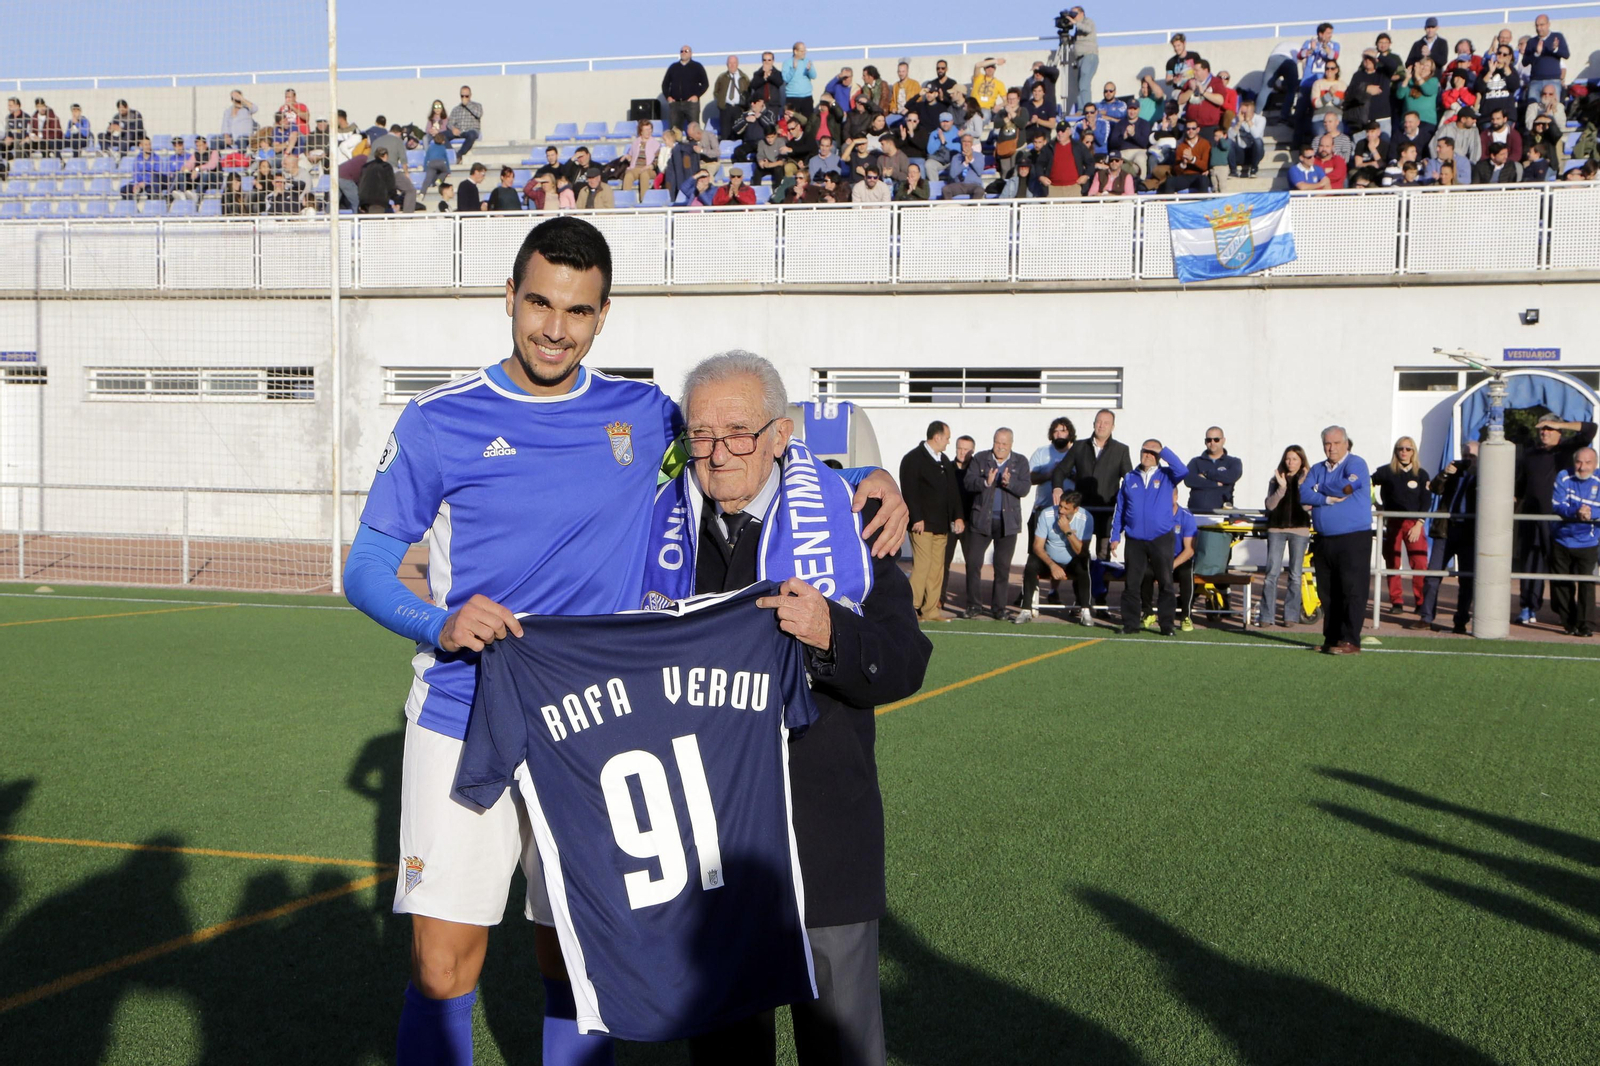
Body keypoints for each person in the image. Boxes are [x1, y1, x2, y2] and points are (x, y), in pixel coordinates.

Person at [344, 218, 906, 1066]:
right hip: (467, 711)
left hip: (595, 724)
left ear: (602, 317)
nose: (553, 327)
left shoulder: (643, 414)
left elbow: (751, 433)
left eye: (577, 310)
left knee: (578, 957)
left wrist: (866, 474)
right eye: (538, 302)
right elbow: (368, 565)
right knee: (442, 962)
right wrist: (440, 622)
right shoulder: (439, 422)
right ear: (509, 297)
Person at [664, 351, 930, 1066]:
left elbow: (905, 661)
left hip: (823, 838)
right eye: (701, 435)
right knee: (724, 1052)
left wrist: (830, 634)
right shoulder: (657, 532)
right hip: (710, 847)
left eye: (738, 433)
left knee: (840, 1048)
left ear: (783, 437)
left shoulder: (852, 522)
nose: (717, 454)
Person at [1515, 417, 1598, 623]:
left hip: (1561, 521)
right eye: (1542, 429)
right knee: (1532, 563)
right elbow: (1521, 485)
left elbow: (1590, 429)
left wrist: (1560, 424)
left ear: (1559, 431)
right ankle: (1528, 607)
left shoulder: (1567, 450)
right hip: (1533, 517)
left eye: (1549, 429)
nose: (1545, 432)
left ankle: (1563, 612)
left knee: (1560, 568)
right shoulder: (1530, 453)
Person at [1301, 426, 1372, 653]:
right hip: (1324, 538)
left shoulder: (1356, 464)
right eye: (1327, 444)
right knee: (1327, 592)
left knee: (1352, 590)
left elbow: (1347, 487)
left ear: (1346, 444)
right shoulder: (1318, 468)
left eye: (1335, 443)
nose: (1331, 448)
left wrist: (1319, 489)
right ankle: (1331, 639)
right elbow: (1302, 493)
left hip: (1353, 538)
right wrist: (1328, 499)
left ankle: (1350, 639)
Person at [1051, 409, 1132, 611]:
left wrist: (1127, 505)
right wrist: (1058, 487)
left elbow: (1129, 480)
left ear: (1112, 427)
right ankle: (1080, 601)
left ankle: (1101, 602)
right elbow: (1060, 470)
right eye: (1099, 422)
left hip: (1106, 514)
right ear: (1094, 423)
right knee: (1080, 555)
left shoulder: (1121, 450)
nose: (1101, 425)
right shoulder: (1079, 447)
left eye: (1106, 422)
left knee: (1103, 560)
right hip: (1081, 513)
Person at [1110, 441, 1189, 636]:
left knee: (1165, 582)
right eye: (1144, 450)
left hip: (1161, 537)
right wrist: (1115, 536)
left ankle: (1167, 625)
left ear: (1159, 455)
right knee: (1132, 583)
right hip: (1135, 539)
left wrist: (1163, 451)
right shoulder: (1129, 478)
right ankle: (1130, 624)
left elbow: (1183, 469)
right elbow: (1120, 508)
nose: (1147, 454)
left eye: (1152, 451)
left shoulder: (1167, 476)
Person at [963, 429, 1031, 620]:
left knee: (1002, 567)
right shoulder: (980, 459)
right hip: (981, 521)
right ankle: (974, 605)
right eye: (997, 443)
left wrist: (1010, 484)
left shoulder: (1020, 462)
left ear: (1011, 444)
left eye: (1004, 444)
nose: (1000, 447)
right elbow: (968, 482)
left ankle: (998, 608)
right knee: (974, 562)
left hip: (1007, 523)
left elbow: (1025, 488)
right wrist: (986, 482)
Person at [901, 421, 965, 623]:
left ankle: (930, 610)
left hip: (942, 525)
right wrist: (916, 518)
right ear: (937, 437)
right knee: (922, 566)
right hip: (923, 525)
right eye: (947, 437)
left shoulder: (944, 460)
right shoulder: (913, 459)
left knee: (937, 568)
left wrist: (958, 515)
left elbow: (953, 491)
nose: (948, 442)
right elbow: (909, 490)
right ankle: (910, 609)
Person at [1371, 436, 1432, 616]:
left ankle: (1421, 602)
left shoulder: (1421, 474)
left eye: (1408, 449)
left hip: (1414, 524)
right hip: (1393, 522)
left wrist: (1419, 524)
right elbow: (1367, 484)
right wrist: (1376, 504)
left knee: (1420, 563)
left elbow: (1426, 500)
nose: (1404, 452)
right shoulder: (1386, 472)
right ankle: (1396, 601)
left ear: (1414, 452)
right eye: (1400, 449)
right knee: (1392, 562)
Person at [1017, 493, 1094, 626]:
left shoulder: (1086, 518)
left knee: (1084, 563)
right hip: (1049, 559)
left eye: (1066, 508)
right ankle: (1026, 609)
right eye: (1060, 506)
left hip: (1073, 559)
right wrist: (1052, 565)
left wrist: (1067, 531)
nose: (1061, 511)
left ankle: (1085, 611)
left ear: (1075, 509)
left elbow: (1082, 551)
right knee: (1031, 563)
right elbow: (1037, 546)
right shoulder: (1047, 514)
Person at [1259, 445, 1312, 627]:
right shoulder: (1276, 480)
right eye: (1288, 459)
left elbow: (1307, 506)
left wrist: (1300, 485)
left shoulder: (1309, 479)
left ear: (1302, 461)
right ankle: (1266, 616)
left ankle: (1290, 615)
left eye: (1295, 459)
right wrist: (1281, 488)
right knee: (1271, 574)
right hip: (1276, 529)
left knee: (1295, 575)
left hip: (1300, 530)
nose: (1291, 462)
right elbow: (1270, 505)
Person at [1552, 448, 1600, 636]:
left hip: (1588, 541)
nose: (1582, 467)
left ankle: (1586, 625)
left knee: (1587, 584)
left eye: (1588, 463)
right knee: (1561, 584)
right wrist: (1576, 512)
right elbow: (1557, 505)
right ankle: (1569, 623)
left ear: (1595, 464)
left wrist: (1590, 514)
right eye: (1579, 462)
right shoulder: (1563, 477)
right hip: (1562, 539)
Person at [1139, 500, 1198, 632]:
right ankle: (1148, 612)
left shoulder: (1186, 517)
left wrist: (1170, 566)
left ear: (1175, 497)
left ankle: (1186, 616)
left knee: (1186, 572)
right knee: (1146, 572)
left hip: (1179, 560)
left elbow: (1189, 550)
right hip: (1159, 559)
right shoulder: (1154, 515)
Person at [1521, 14, 1570, 103]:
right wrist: (1536, 53)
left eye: (1542, 25)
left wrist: (1555, 49)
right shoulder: (1531, 42)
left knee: (1552, 110)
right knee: (1533, 110)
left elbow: (1566, 55)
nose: (1539, 28)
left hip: (1553, 81)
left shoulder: (1557, 37)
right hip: (1535, 81)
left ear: (1548, 24)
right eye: (1537, 25)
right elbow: (1524, 62)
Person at [661, 46, 708, 133]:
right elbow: (665, 84)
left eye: (686, 51)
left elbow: (705, 84)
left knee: (694, 130)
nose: (683, 52)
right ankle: (676, 146)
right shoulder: (673, 67)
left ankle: (693, 146)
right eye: (681, 51)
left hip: (691, 105)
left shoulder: (697, 66)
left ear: (690, 53)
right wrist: (668, 97)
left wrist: (696, 96)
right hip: (675, 104)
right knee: (674, 131)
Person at [713, 55, 750, 141]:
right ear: (727, 64)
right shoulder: (722, 77)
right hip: (726, 108)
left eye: (734, 63)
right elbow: (716, 91)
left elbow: (749, 91)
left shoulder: (744, 78)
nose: (732, 65)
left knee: (739, 133)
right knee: (725, 134)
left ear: (737, 64)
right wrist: (721, 102)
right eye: (730, 63)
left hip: (739, 109)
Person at [1227, 99, 1266, 178]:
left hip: (1255, 152)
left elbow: (1256, 135)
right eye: (1241, 112)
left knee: (1258, 141)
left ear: (1252, 112)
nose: (1242, 115)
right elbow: (1230, 136)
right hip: (1241, 152)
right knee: (1228, 142)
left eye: (1245, 113)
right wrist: (1238, 123)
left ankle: (1254, 169)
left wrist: (1248, 121)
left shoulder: (1261, 119)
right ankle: (1233, 170)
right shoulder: (1235, 120)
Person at [781, 43, 817, 117]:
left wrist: (809, 70)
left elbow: (814, 76)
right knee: (792, 121)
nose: (804, 52)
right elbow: (786, 79)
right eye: (802, 51)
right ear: (795, 51)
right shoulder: (787, 63)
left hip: (807, 97)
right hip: (792, 97)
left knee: (808, 121)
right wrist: (793, 69)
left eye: (805, 50)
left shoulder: (808, 61)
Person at [359, 146, 398, 214]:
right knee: (375, 221)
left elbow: (361, 182)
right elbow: (390, 185)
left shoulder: (366, 166)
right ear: (385, 155)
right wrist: (394, 199)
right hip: (378, 200)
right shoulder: (386, 166)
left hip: (364, 200)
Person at [448, 85, 482, 162]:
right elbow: (449, 122)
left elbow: (478, 114)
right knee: (442, 136)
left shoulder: (477, 106)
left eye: (466, 96)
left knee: (472, 135)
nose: (464, 98)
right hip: (459, 131)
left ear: (470, 96)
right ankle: (451, 153)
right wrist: (453, 128)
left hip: (471, 130)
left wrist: (467, 105)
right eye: (462, 96)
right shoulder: (456, 109)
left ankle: (459, 155)